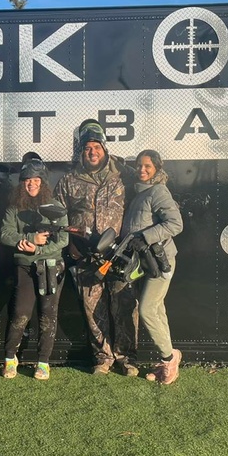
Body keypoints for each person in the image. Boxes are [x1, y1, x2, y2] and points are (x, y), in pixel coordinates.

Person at [54, 119, 138, 375]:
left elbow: (144, 200)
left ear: (105, 148)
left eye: (96, 147)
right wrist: (70, 245)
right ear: (81, 151)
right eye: (87, 148)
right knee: (93, 309)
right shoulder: (69, 180)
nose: (92, 152)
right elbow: (57, 215)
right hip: (86, 256)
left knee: (124, 304)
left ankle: (126, 358)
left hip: (119, 253)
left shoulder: (124, 175)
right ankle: (103, 357)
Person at [0, 152, 68, 380]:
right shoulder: (14, 207)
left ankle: (43, 362)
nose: (32, 184)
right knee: (20, 312)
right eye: (27, 180)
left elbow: (63, 240)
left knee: (48, 314)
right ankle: (10, 358)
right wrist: (29, 238)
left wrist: (39, 249)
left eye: (36, 180)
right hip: (25, 267)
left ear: (43, 182)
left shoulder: (56, 207)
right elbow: (5, 234)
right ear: (22, 183)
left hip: (51, 266)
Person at [122, 149, 183, 384]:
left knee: (147, 310)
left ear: (157, 168)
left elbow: (175, 224)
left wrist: (145, 237)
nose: (142, 169)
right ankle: (168, 357)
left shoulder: (158, 191)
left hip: (161, 261)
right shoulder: (139, 192)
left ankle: (169, 358)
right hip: (146, 262)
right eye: (139, 165)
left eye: (147, 166)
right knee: (157, 309)